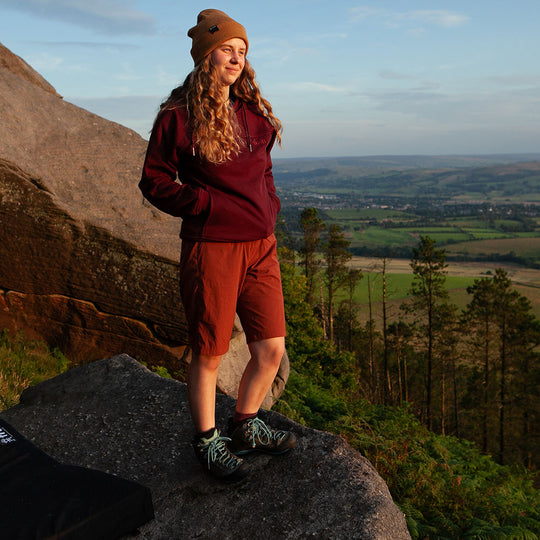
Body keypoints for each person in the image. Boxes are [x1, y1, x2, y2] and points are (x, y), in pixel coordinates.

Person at [139, 9, 296, 483]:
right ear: (205, 55)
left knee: (270, 348)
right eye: (227, 48)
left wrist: (269, 205)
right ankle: (208, 441)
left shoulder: (252, 113)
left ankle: (245, 426)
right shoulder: (178, 116)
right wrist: (203, 204)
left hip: (260, 246)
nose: (236, 57)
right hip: (214, 248)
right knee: (208, 350)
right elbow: (154, 180)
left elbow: (263, 170)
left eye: (242, 51)